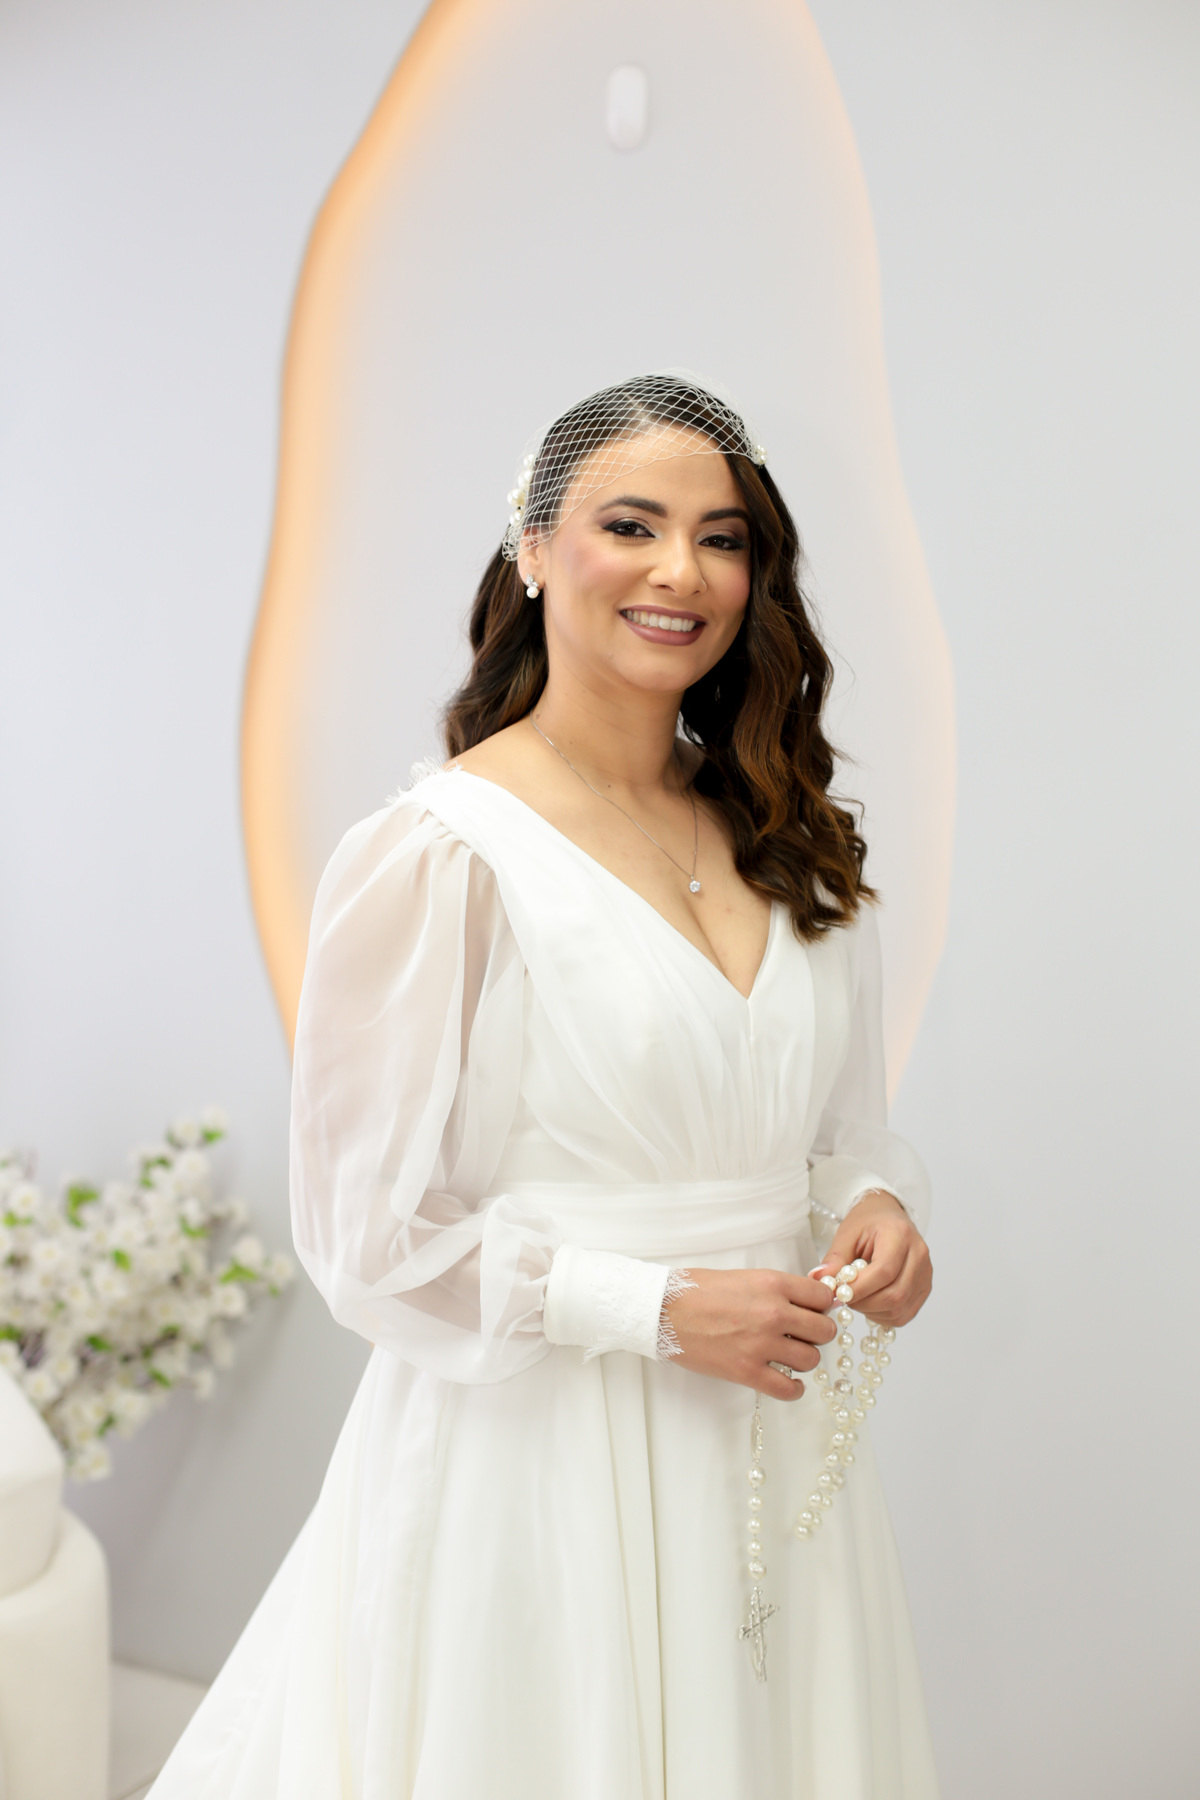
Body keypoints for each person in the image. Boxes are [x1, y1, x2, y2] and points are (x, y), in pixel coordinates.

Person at [151, 373, 939, 1798]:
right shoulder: (443, 853)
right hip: (542, 1453)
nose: (679, 571)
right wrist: (653, 1307)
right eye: (630, 525)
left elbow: (833, 1136)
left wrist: (877, 1206)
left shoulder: (789, 830)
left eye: (722, 538)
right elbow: (367, 1239)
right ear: (532, 548)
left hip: (770, 1444)